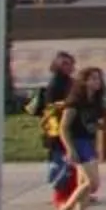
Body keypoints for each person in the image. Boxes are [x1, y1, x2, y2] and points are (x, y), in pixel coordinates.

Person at [55, 68, 106, 210]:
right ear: (83, 81)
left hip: (89, 142)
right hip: (78, 143)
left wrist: (103, 123)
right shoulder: (74, 103)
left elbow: (96, 124)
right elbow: (63, 128)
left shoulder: (96, 101)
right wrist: (70, 149)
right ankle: (66, 209)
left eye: (98, 79)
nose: (96, 82)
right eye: (92, 79)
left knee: (83, 183)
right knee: (92, 183)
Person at [26, 52, 76, 197]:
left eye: (71, 63)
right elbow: (51, 108)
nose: (70, 66)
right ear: (57, 66)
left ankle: (71, 188)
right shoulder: (55, 84)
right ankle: (60, 187)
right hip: (56, 127)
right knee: (59, 157)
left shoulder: (69, 81)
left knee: (67, 157)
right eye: (65, 64)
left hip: (66, 125)